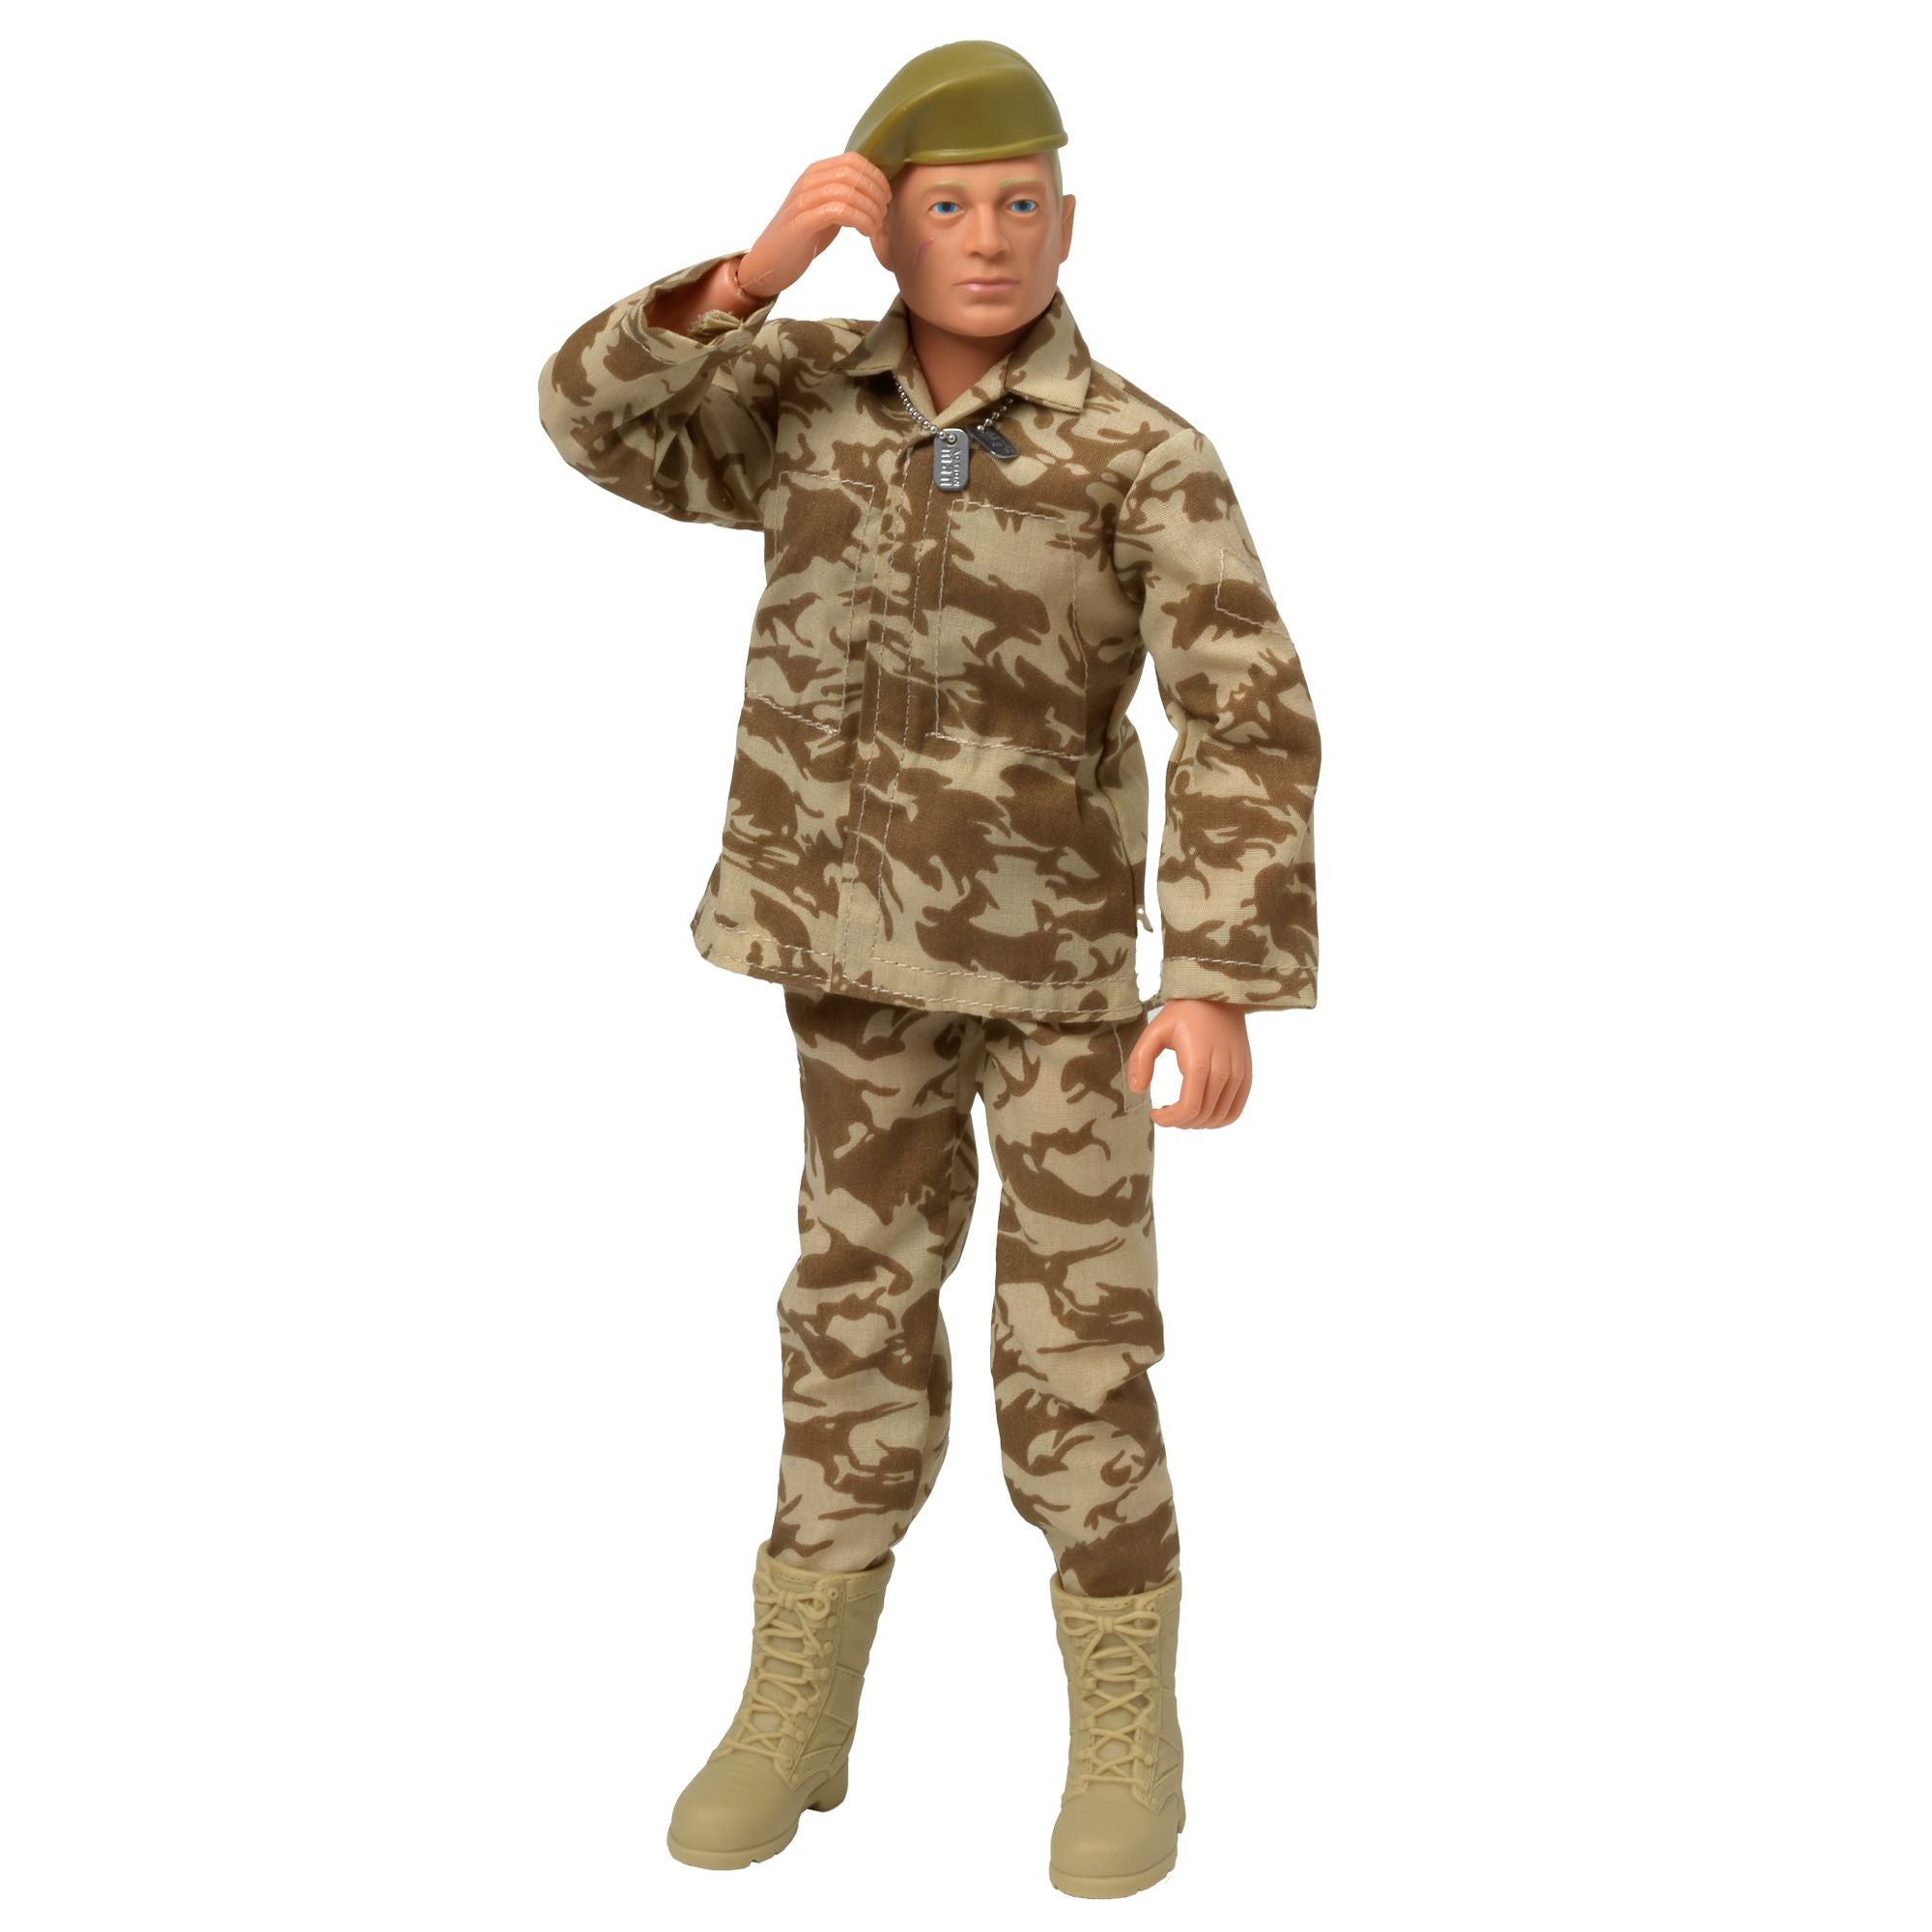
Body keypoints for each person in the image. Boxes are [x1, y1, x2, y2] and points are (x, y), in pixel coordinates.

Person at [536, 39, 1320, 1900]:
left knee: (1078, 1350)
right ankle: (796, 1704)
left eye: (1021, 203)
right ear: (883, 229)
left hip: (1063, 982)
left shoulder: (1139, 452)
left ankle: (1127, 1731)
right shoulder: (803, 398)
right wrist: (743, 280)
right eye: (947, 206)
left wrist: (1214, 973)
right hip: (852, 957)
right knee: (847, 1317)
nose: (988, 239)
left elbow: (1245, 712)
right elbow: (592, 425)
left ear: (1071, 220)